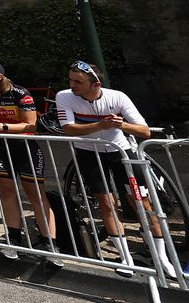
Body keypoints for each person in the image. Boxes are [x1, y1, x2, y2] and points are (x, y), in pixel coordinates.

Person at [56, 60, 178, 277]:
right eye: (70, 80)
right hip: (88, 153)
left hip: (120, 152)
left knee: (141, 201)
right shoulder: (64, 96)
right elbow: (69, 129)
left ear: (95, 84)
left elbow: (144, 132)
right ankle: (126, 257)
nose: (72, 85)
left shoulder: (117, 97)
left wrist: (121, 125)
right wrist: (101, 125)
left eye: (78, 81)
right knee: (106, 202)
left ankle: (162, 258)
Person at [0, 59, 59, 264]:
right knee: (7, 191)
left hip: (25, 147)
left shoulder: (20, 93)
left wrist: (1, 127)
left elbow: (32, 125)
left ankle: (50, 244)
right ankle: (14, 240)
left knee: (35, 193)